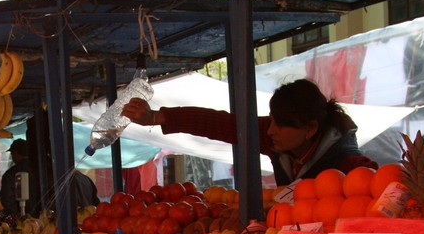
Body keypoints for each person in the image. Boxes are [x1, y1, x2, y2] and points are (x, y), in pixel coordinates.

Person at [121, 78, 377, 186]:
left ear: (310, 128)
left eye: (280, 124)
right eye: (272, 121)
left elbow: (382, 185)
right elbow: (220, 124)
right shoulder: (277, 139)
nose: (271, 130)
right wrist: (156, 117)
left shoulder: (349, 162)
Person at [0, 139, 32, 216]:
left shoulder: (10, 174)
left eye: (12, 154)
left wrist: (19, 219)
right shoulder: (41, 169)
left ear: (16, 153)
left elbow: (7, 200)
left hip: (24, 222)